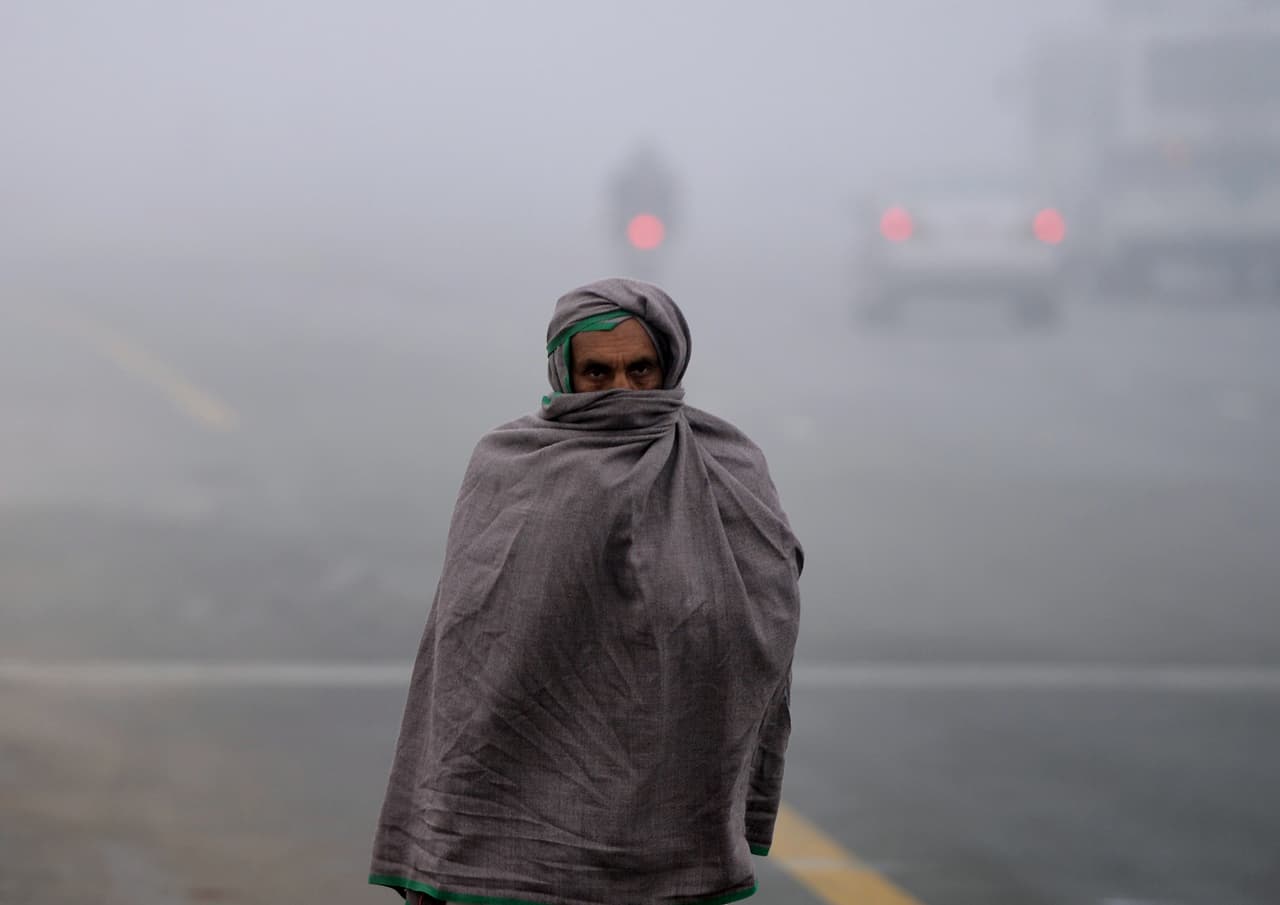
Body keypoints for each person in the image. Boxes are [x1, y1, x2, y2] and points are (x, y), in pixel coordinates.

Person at [370, 278, 803, 905]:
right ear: (564, 375)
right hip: (516, 803)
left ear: (670, 366)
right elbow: (473, 653)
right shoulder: (511, 462)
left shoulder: (725, 463)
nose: (622, 391)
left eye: (641, 369)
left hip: (670, 810)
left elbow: (762, 617)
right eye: (598, 373)